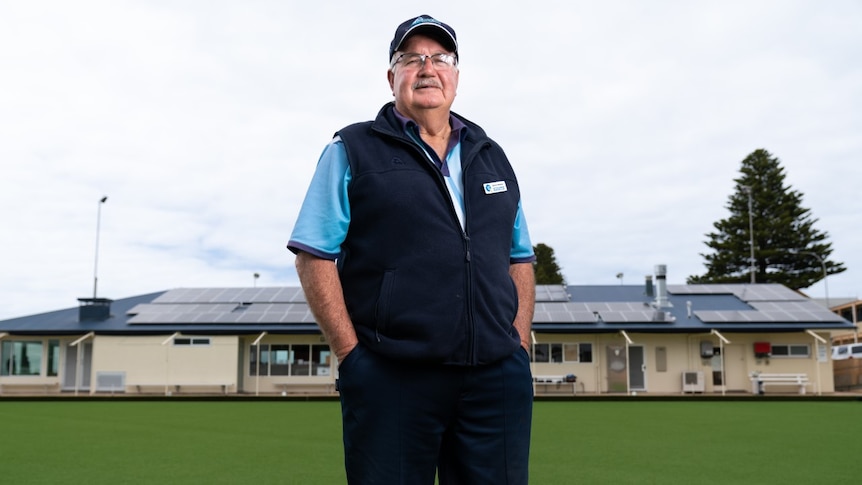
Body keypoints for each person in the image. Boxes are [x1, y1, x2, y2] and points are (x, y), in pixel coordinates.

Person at [288, 14, 536, 484]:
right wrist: (351, 355)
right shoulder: (352, 148)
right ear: (392, 76)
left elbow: (518, 258)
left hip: (495, 380)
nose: (427, 68)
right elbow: (314, 254)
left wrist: (518, 344)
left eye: (440, 58)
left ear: (456, 77)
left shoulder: (492, 155)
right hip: (391, 378)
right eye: (411, 58)